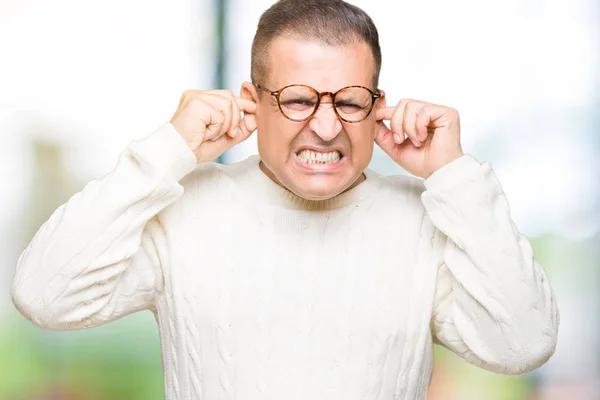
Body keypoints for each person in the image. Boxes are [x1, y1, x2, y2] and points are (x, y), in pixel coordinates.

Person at [10, 0, 559, 399]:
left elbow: (524, 343)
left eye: (348, 101)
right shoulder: (184, 208)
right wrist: (167, 150)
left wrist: (455, 175)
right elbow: (43, 295)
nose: (324, 127)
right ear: (254, 102)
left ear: (377, 106)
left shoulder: (423, 218)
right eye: (297, 99)